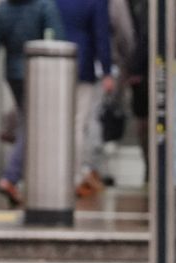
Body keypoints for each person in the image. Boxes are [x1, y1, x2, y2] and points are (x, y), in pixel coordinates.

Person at [0, 0, 65, 207]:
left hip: (13, 73)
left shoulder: (4, 9)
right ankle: (11, 176)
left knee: (27, 120)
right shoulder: (44, 6)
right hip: (39, 73)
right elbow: (57, 39)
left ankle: (21, 178)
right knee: (32, 127)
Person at [55, 0, 114, 198]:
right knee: (78, 124)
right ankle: (72, 174)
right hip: (83, 65)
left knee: (59, 124)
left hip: (54, 64)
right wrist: (107, 70)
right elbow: (101, 35)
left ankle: (57, 172)